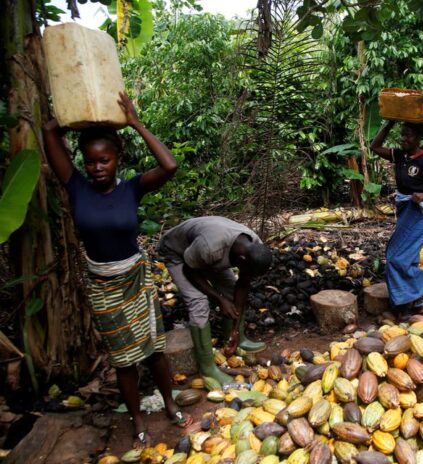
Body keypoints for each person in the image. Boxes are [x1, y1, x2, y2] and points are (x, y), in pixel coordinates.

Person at [43, 91, 191, 448]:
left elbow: (170, 166)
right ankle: (137, 417)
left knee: (154, 349)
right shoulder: (77, 187)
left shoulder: (132, 189)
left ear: (117, 159)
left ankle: (170, 403)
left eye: (104, 161)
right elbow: (49, 133)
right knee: (124, 359)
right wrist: (71, 113)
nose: (96, 168)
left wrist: (136, 123)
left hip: (137, 279)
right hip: (102, 284)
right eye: (91, 162)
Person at [157, 217, 272, 386]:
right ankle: (207, 368)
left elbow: (243, 283)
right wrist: (219, 300)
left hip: (205, 256)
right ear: (241, 260)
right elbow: (191, 272)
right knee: (198, 301)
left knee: (231, 289)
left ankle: (233, 339)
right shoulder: (210, 247)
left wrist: (235, 328)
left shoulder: (254, 245)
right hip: (179, 255)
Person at [370, 120, 423, 317]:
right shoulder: (401, 155)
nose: (403, 139)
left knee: (394, 256)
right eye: (402, 134)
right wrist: (389, 123)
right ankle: (414, 300)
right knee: (407, 256)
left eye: (408, 135)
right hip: (404, 208)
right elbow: (375, 147)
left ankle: (418, 290)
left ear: (418, 138)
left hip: (418, 211)